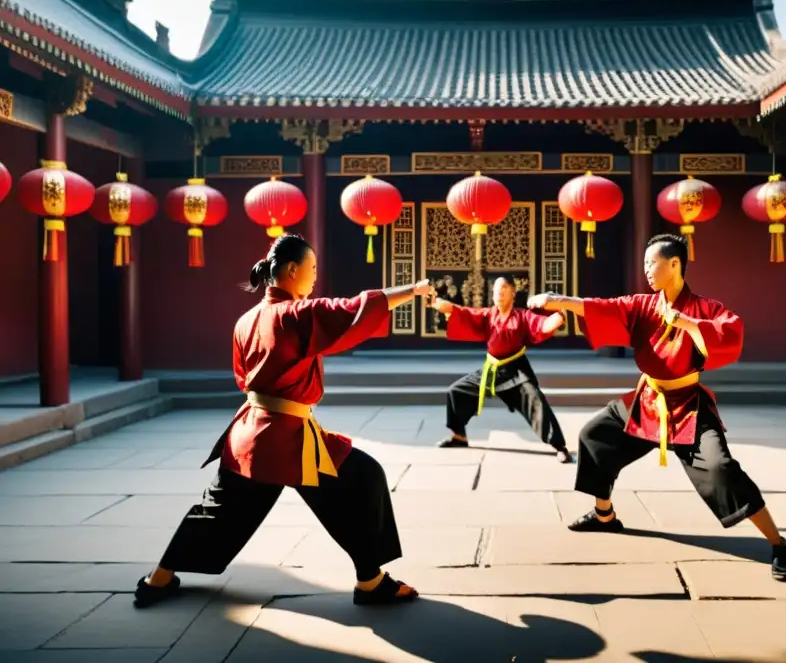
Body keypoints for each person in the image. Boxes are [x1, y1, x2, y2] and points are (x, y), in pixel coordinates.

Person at [134, 233, 436, 609]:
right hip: (287, 439)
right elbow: (355, 308)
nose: (313, 279)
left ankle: (158, 578)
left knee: (217, 509)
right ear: (291, 270)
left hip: (249, 432)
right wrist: (414, 289)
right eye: (311, 270)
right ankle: (371, 582)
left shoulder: (245, 321)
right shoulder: (295, 314)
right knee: (363, 479)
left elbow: (242, 378)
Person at [526, 233, 786, 581]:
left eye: (651, 263)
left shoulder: (707, 308)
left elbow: (729, 333)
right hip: (647, 400)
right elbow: (603, 307)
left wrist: (687, 324)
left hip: (688, 406)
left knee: (721, 469)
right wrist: (557, 299)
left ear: (674, 264)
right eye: (643, 264)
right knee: (594, 436)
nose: (646, 270)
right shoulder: (643, 304)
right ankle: (604, 515)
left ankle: (779, 545)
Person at [432, 277, 573, 463]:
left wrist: (560, 314)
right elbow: (461, 312)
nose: (499, 291)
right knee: (456, 392)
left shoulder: (523, 316)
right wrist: (435, 302)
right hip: (492, 370)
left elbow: (543, 325)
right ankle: (459, 436)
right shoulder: (488, 315)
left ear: (513, 293)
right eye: (496, 288)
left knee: (536, 402)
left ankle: (559, 446)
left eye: (504, 287)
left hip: (516, 371)